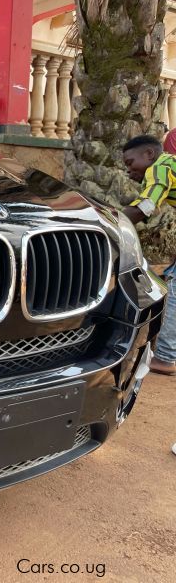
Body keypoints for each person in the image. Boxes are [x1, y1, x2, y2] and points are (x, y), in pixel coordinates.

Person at [121, 135, 176, 457]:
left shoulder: (163, 164)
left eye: (131, 163)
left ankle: (166, 356)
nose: (129, 170)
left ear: (149, 153)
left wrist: (105, 222)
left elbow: (145, 206)